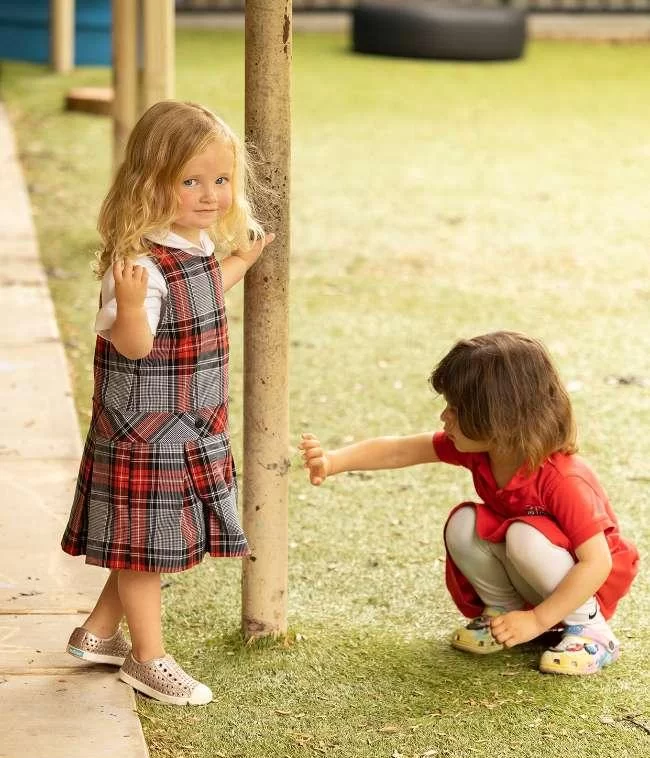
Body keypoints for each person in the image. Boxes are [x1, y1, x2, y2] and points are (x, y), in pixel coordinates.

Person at [61, 100, 275, 704]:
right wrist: (129, 308)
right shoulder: (139, 267)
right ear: (150, 183)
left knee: (144, 542)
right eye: (190, 181)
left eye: (221, 180)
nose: (210, 195)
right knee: (146, 548)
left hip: (188, 425)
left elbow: (203, 288)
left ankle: (98, 633)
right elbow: (134, 345)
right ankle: (147, 658)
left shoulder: (195, 245)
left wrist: (240, 261)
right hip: (145, 432)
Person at [299, 331, 639, 675]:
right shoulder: (486, 450)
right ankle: (502, 615)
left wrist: (538, 620)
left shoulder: (563, 478)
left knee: (524, 535)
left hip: (587, 586)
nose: (445, 417)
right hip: (533, 570)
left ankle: (590, 631)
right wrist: (333, 462)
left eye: (457, 409)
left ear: (500, 419)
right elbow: (401, 448)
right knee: (465, 522)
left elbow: (597, 563)